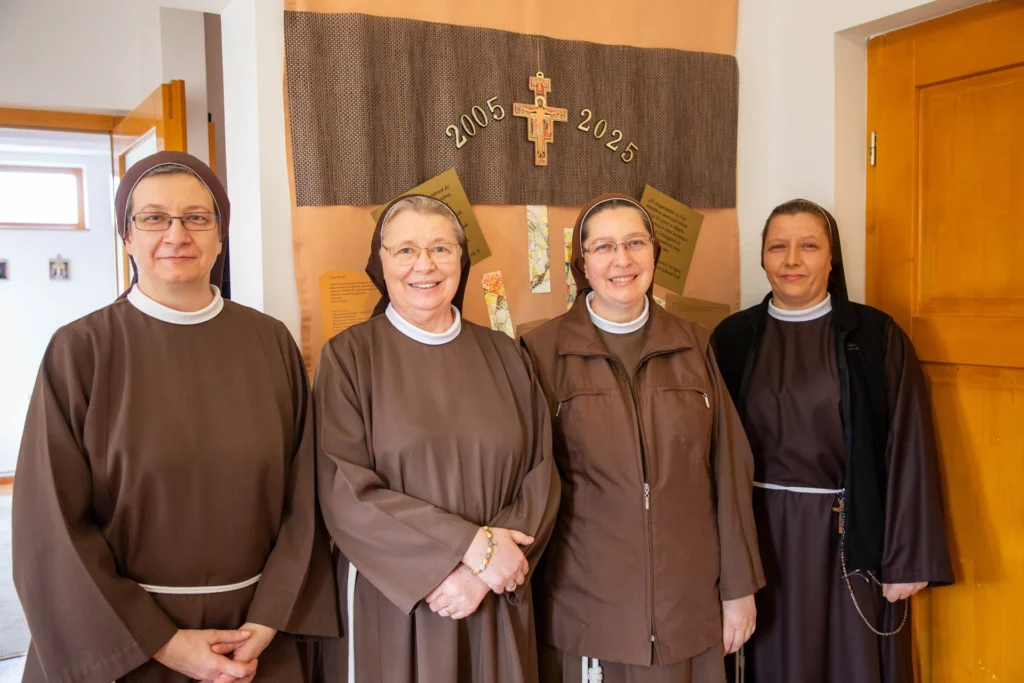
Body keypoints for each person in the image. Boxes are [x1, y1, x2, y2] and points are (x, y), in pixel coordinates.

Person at [13, 151, 339, 683]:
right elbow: (50, 525)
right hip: (125, 642)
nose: (176, 234)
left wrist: (269, 618)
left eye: (196, 217)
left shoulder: (270, 342)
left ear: (220, 235)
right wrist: (161, 642)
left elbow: (305, 496)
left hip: (256, 643)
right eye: (154, 218)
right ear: (127, 236)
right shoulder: (80, 351)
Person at [314, 195, 561, 683]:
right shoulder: (348, 358)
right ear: (381, 261)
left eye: (441, 249)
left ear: (461, 260)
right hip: (398, 598)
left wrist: (481, 575)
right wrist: (471, 548)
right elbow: (345, 492)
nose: (424, 265)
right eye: (405, 250)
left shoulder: (506, 355)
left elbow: (541, 474)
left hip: (494, 594)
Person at [521, 194, 765, 683]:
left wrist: (739, 588)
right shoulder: (540, 351)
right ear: (582, 263)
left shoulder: (694, 344)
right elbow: (527, 485)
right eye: (604, 247)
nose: (622, 260)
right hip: (586, 607)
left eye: (635, 243)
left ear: (655, 252)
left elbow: (729, 469)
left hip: (687, 604)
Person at [711, 199, 954, 683]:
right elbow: (709, 452)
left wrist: (907, 557)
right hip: (758, 538)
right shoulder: (732, 339)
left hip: (850, 533)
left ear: (831, 257)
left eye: (808, 246)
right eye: (777, 247)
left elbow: (908, 446)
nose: (791, 260)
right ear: (762, 257)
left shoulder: (874, 336)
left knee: (851, 663)